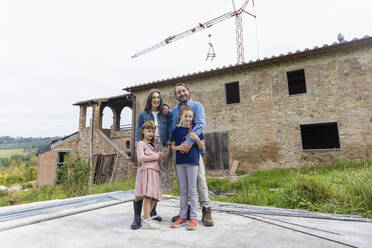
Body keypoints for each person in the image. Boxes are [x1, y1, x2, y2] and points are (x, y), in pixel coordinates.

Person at [169, 83, 214, 226]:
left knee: (200, 180)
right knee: (183, 184)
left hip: (193, 150)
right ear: (176, 96)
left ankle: (206, 210)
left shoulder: (197, 106)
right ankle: (185, 211)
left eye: (183, 90)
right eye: (178, 92)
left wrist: (188, 142)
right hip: (180, 153)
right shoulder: (175, 111)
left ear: (188, 91)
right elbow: (173, 130)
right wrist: (175, 148)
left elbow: (200, 125)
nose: (182, 93)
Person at [131, 89, 171, 230]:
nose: (156, 100)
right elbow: (137, 134)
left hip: (160, 146)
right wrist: (137, 155)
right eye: (153, 97)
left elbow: (170, 127)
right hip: (146, 147)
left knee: (156, 182)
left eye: (158, 98)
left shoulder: (164, 114)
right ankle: (137, 217)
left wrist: (167, 152)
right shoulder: (143, 115)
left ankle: (151, 212)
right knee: (142, 184)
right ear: (150, 99)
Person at [171, 106, 204, 230]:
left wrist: (195, 138)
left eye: (190, 116)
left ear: (192, 118)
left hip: (192, 162)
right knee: (183, 190)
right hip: (180, 163)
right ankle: (183, 216)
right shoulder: (176, 131)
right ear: (181, 117)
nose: (188, 118)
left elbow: (201, 146)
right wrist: (179, 148)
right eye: (186, 116)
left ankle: (194, 218)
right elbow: (173, 147)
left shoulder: (196, 131)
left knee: (193, 190)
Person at [134, 121, 166, 229]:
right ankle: (147, 220)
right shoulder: (141, 144)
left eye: (152, 131)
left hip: (155, 171)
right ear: (143, 131)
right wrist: (156, 156)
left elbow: (156, 155)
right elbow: (141, 158)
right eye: (148, 131)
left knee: (155, 197)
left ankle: (146, 217)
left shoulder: (154, 145)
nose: (151, 133)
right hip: (147, 171)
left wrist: (161, 155)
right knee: (148, 196)